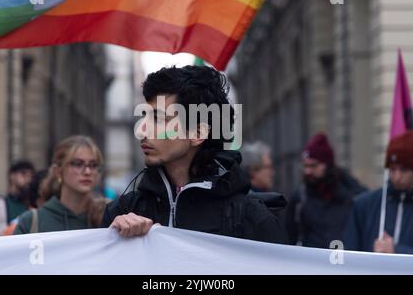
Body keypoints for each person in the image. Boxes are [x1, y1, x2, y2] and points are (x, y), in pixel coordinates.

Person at [102, 65, 287, 243]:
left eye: (158, 119)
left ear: (198, 134)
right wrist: (112, 239)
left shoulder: (252, 219)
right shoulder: (123, 212)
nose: (142, 130)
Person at [285, 133, 366, 249]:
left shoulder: (353, 194)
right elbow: (290, 236)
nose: (307, 171)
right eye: (305, 166)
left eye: (313, 166)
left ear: (327, 164)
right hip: (312, 263)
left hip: (344, 262)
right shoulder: (300, 198)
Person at [14, 136, 107, 234]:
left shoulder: (107, 217)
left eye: (93, 165)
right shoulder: (30, 221)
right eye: (78, 164)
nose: (87, 171)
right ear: (58, 171)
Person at [344, 131, 413, 254]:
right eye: (392, 169)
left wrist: (397, 251)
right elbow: (349, 253)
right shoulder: (364, 205)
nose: (397, 177)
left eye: (404, 170)